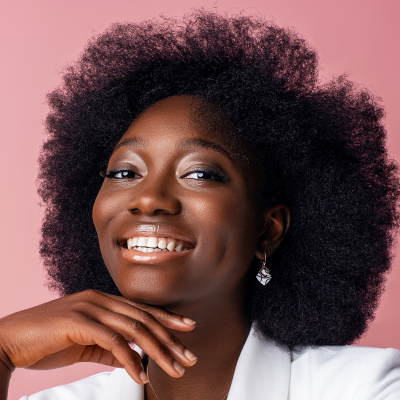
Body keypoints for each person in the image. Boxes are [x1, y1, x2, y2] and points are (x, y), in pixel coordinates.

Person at [1, 9, 400, 400]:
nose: (149, 199)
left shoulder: (366, 387)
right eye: (124, 173)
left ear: (269, 229)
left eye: (200, 174)